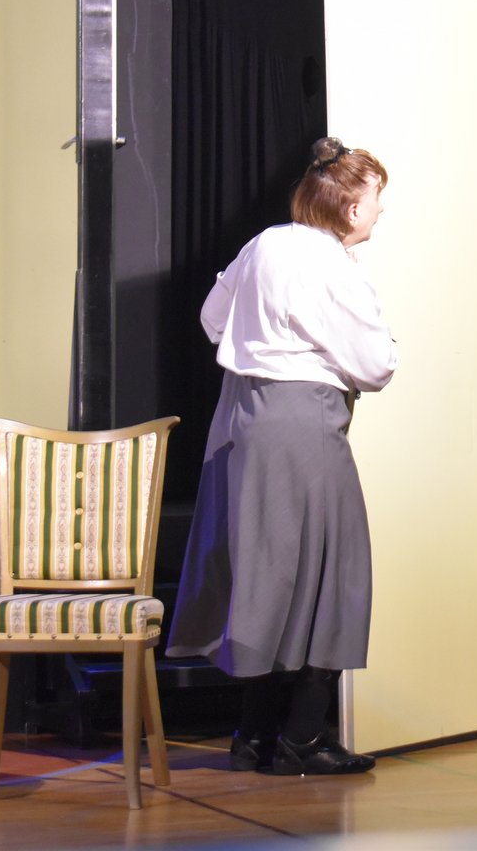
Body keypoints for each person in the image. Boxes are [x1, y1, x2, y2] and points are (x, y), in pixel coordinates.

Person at [167, 137, 396, 775]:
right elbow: (377, 366)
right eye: (377, 198)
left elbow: (213, 318)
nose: (380, 211)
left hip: (244, 414)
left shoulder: (264, 244)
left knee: (267, 569)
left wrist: (262, 343)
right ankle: (302, 736)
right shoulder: (332, 265)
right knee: (335, 571)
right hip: (302, 419)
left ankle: (254, 734)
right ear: (352, 207)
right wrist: (313, 356)